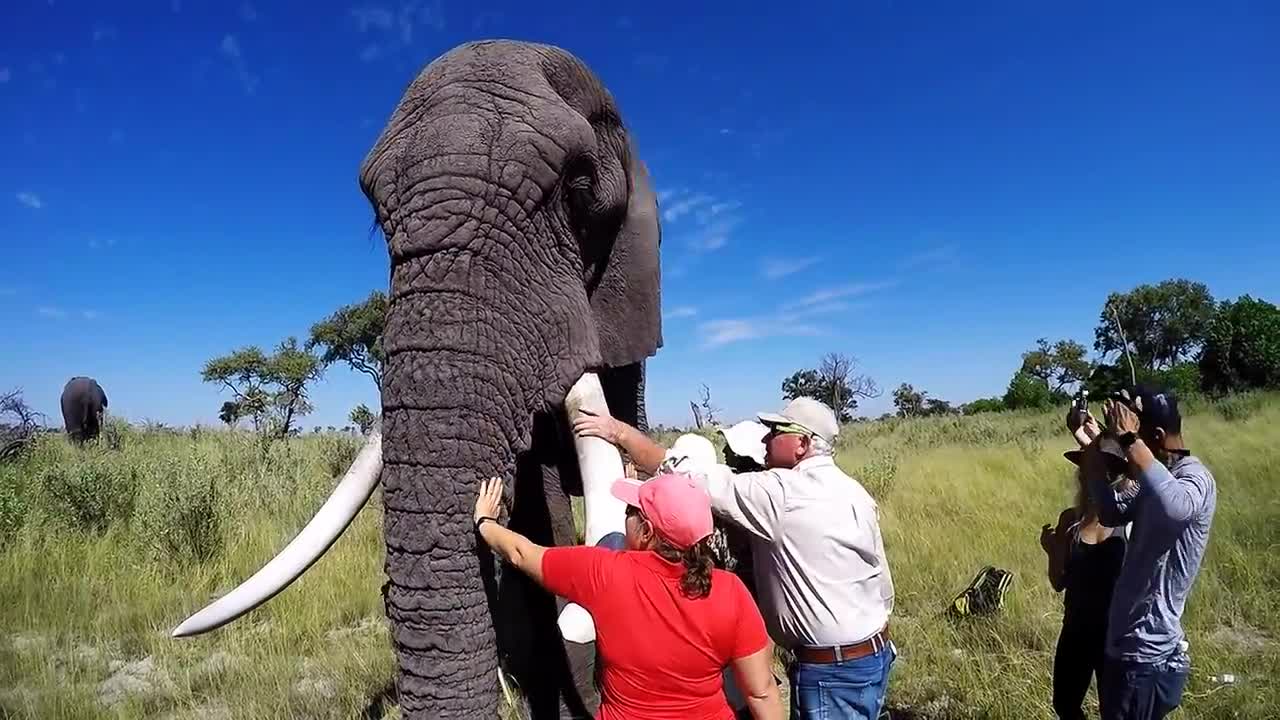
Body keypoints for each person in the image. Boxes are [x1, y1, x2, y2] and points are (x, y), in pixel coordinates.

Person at [574, 397, 896, 720]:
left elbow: (682, 474)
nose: (766, 438)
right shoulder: (854, 491)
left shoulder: (779, 494)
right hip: (875, 654)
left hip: (831, 672)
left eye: (776, 431)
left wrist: (618, 432)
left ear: (802, 443)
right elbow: (882, 581)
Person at [473, 471, 785, 720]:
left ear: (647, 531)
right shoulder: (730, 591)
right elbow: (762, 692)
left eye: (630, 511)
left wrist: (485, 522)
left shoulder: (604, 572)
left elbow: (521, 553)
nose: (624, 518)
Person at [1088, 386, 1217, 720]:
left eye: (1140, 440)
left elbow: (1177, 508)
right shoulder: (1158, 477)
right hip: (1130, 647)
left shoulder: (1193, 478)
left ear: (1156, 436)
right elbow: (1110, 513)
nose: (1131, 454)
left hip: (1146, 653)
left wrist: (1132, 441)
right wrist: (1093, 453)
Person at [1041, 429, 1133, 720]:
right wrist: (1052, 550)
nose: (1085, 476)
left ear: (1113, 476)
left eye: (1094, 469)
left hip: (1116, 636)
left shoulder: (1131, 522)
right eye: (1084, 469)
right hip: (1075, 630)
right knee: (1065, 705)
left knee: (1114, 711)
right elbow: (1058, 582)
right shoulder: (1070, 520)